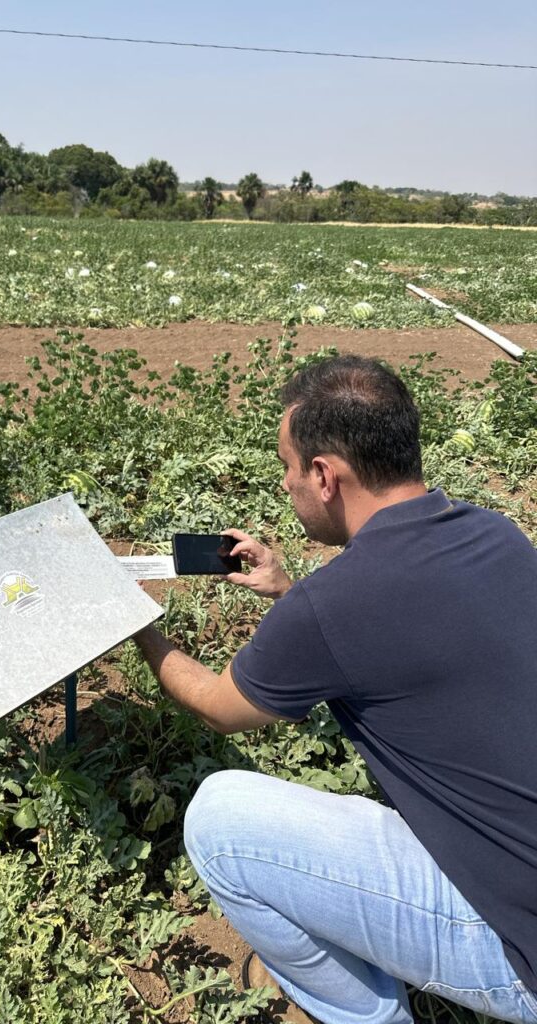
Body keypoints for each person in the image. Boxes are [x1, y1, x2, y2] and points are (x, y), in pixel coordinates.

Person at [134, 355, 537, 1024]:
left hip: (521, 955)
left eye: (288, 468)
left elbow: (216, 705)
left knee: (220, 820)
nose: (286, 484)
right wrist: (290, 592)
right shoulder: (495, 533)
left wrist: (139, 627)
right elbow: (405, 629)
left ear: (324, 476)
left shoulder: (333, 606)